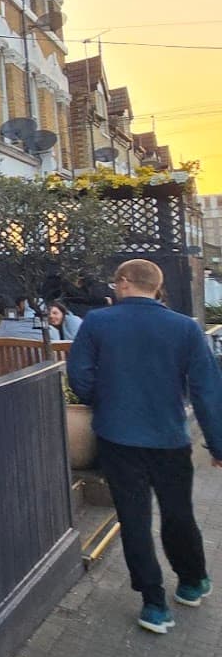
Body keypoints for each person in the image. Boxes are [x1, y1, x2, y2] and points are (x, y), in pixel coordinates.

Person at [68, 259, 222, 634]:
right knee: (179, 512)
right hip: (169, 436)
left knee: (134, 520)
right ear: (156, 286)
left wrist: (103, 400)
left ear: (123, 283)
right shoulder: (186, 328)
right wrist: (217, 445)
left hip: (117, 437)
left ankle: (153, 604)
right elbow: (207, 390)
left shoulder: (97, 323)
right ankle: (190, 582)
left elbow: (79, 376)